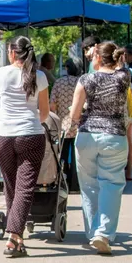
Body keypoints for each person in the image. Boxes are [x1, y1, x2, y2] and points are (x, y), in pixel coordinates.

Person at [0, 36, 49, 258]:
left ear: (12, 53)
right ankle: (14, 236)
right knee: (24, 187)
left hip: (3, 134)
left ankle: (17, 236)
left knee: (11, 184)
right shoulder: (39, 76)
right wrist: (33, 121)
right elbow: (44, 112)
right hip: (30, 133)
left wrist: (6, 119)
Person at [69, 42, 131, 255]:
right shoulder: (123, 77)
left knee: (88, 185)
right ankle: (102, 233)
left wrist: (79, 118)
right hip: (114, 136)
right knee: (111, 184)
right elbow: (124, 68)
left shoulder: (86, 79)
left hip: (87, 136)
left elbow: (75, 114)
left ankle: (92, 232)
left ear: (97, 57)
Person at [50, 57, 82, 192]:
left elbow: (52, 104)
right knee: (77, 156)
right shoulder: (81, 82)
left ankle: (62, 183)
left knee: (61, 155)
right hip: (79, 124)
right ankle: (76, 184)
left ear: (67, 68)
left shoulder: (59, 82)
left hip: (62, 125)